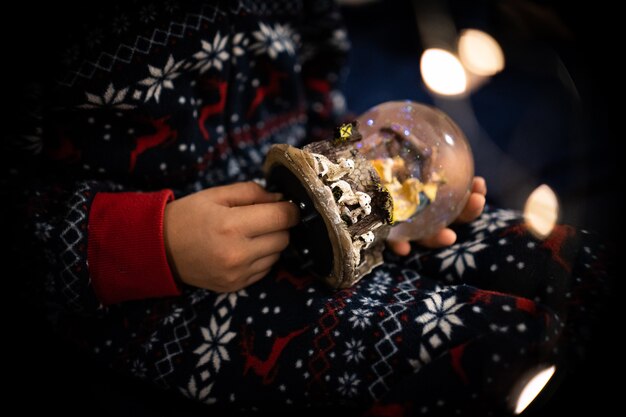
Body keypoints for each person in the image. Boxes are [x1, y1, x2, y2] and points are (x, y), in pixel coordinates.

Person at [3, 1, 606, 415]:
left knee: (567, 263)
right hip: (152, 289)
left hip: (314, 189)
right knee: (498, 351)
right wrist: (154, 242)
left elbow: (316, 75)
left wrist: (371, 171)